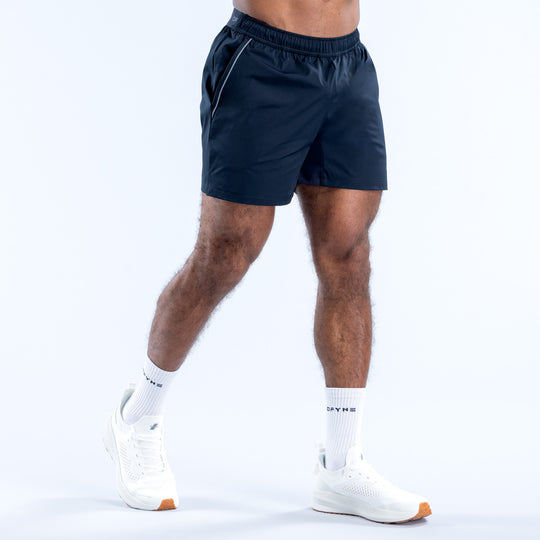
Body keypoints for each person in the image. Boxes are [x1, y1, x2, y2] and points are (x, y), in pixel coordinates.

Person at [103, 0, 432, 523]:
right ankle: (137, 418)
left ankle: (342, 466)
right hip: (263, 58)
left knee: (349, 256)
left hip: (347, 66)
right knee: (225, 254)